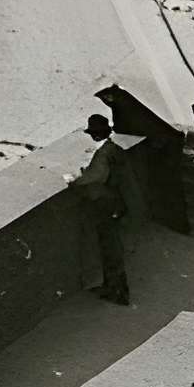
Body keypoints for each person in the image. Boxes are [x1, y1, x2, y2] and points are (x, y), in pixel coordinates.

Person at [75, 113, 130, 304]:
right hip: (116, 202)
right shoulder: (114, 149)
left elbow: (95, 176)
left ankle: (117, 292)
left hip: (105, 204)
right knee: (112, 249)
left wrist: (75, 181)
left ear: (94, 135)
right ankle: (116, 289)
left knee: (109, 249)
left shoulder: (102, 154)